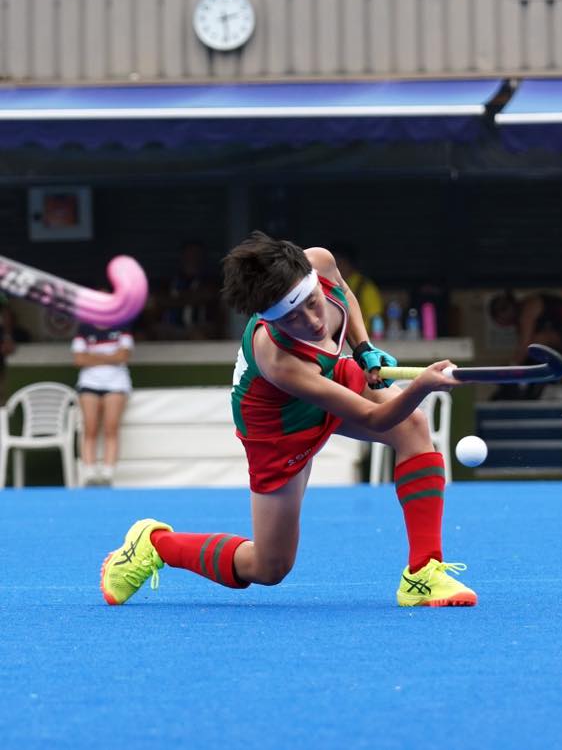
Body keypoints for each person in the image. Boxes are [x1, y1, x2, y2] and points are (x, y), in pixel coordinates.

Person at [100, 231, 477, 608]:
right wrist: (423, 387)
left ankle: (423, 573)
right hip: (279, 427)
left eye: (313, 303)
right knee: (270, 566)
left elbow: (343, 292)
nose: (313, 322)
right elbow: (375, 418)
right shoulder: (279, 360)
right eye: (293, 318)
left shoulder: (320, 261)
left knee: (413, 427)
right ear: (271, 320)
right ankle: (155, 545)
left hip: (326, 373)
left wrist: (364, 349)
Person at [489, 290, 562, 399]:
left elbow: (526, 345)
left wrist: (512, 368)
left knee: (537, 344)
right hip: (560, 347)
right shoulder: (522, 323)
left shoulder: (529, 307)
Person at [72, 318, 134, 486]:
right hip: (88, 383)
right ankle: (89, 473)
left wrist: (92, 356)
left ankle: (108, 474)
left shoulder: (122, 326)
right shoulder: (84, 328)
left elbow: (123, 355)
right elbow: (78, 359)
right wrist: (110, 357)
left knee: (111, 428)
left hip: (116, 384)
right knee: (89, 428)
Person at [150, 241, 222, 340]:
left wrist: (174, 299)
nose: (192, 259)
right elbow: (158, 299)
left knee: (198, 336)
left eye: (196, 255)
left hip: (199, 327)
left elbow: (206, 295)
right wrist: (189, 298)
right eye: (189, 255)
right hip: (170, 327)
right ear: (182, 257)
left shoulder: (210, 281)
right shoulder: (169, 281)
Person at [330, 241, 384, 332]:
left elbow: (376, 317)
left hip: (360, 340)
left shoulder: (364, 286)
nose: (336, 267)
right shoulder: (325, 284)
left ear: (349, 263)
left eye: (339, 263)